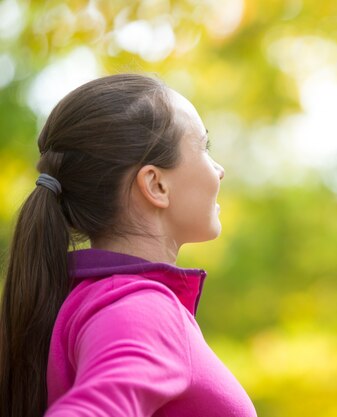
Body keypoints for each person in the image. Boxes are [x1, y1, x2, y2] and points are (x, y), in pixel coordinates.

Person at [0, 74, 257, 417]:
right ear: (156, 184)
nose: (219, 170)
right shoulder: (145, 310)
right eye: (204, 147)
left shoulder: (79, 300)